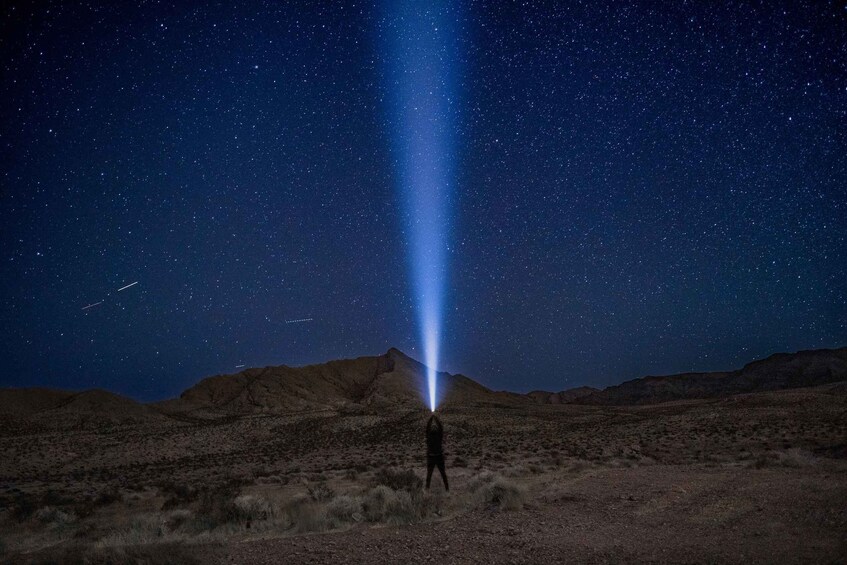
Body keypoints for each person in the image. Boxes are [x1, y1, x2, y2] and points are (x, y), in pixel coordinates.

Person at [425, 413, 449, 491]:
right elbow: (440, 427)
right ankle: (447, 489)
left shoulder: (428, 436)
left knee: (429, 475)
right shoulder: (439, 436)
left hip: (432, 457)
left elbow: (428, 427)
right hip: (438, 456)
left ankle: (427, 490)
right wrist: (435, 418)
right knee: (442, 474)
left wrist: (432, 418)